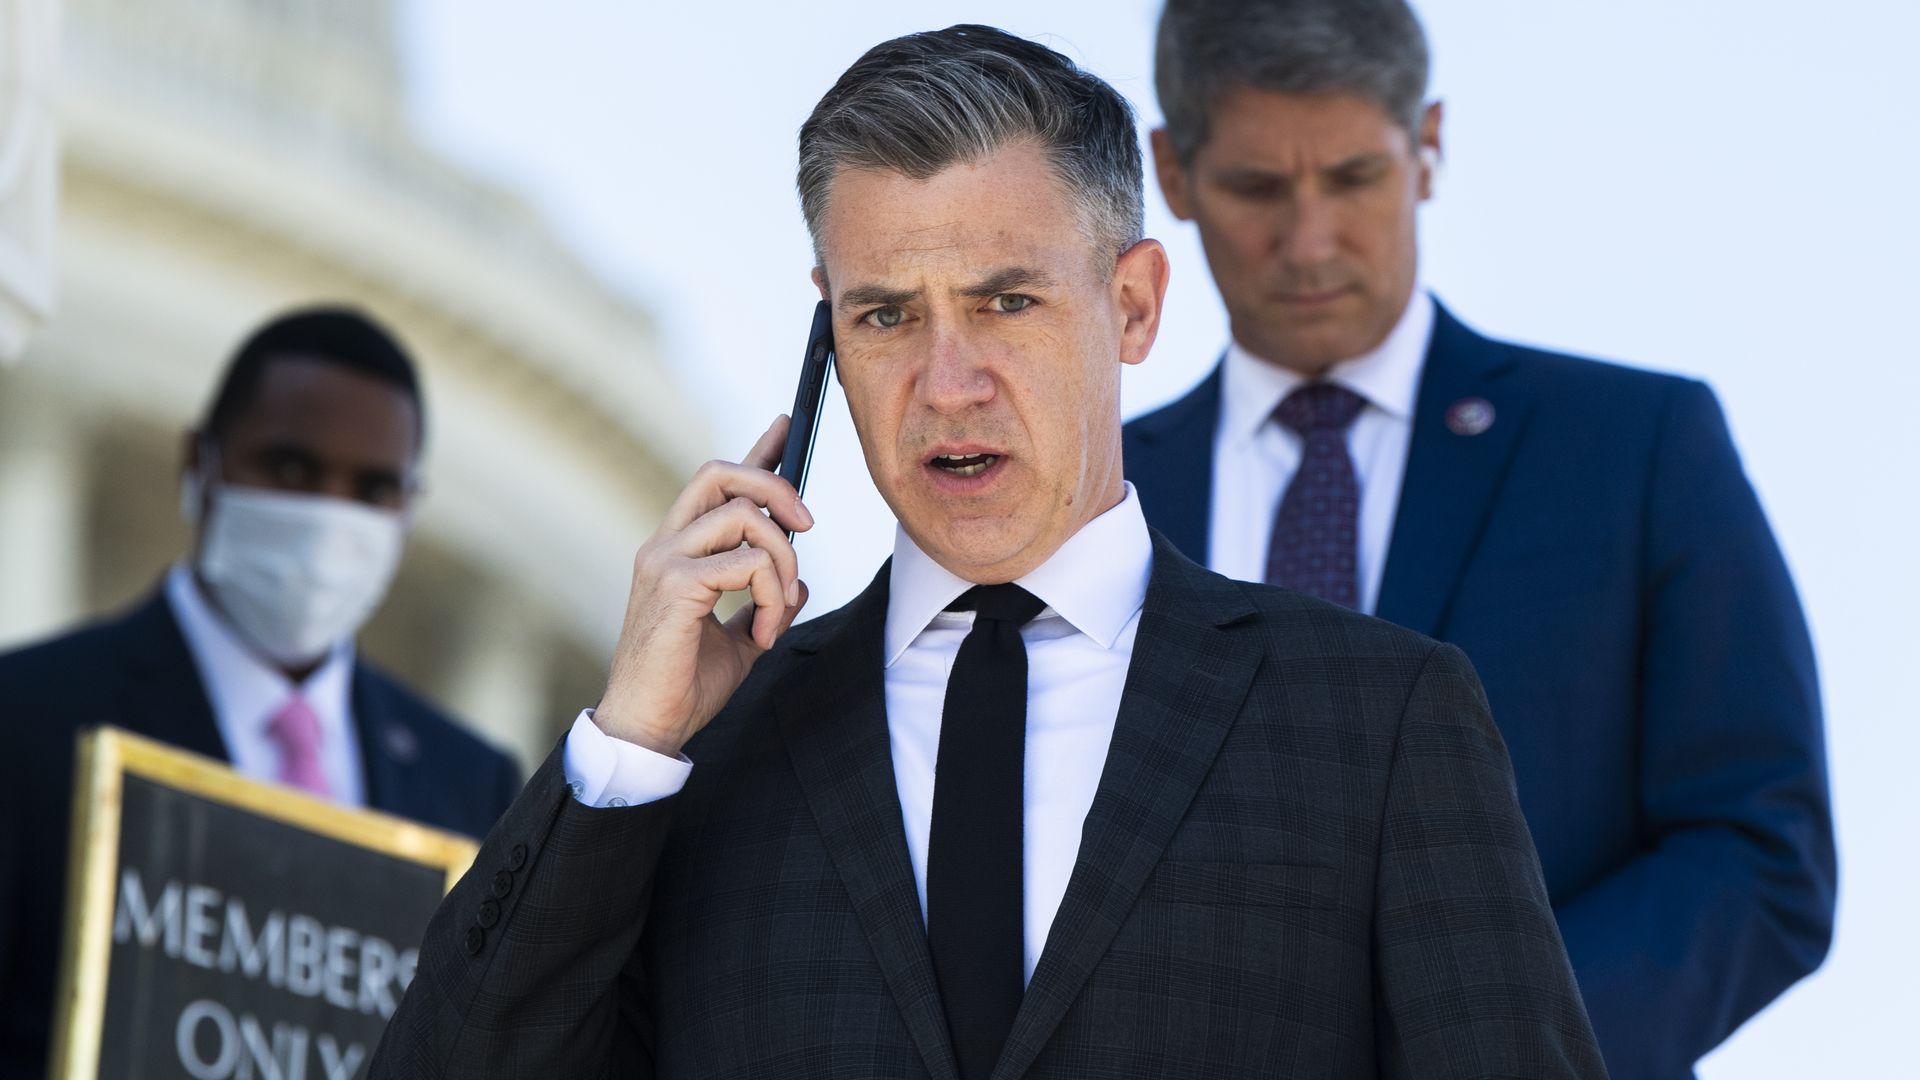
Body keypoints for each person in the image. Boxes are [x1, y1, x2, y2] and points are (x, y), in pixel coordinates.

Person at [371, 25, 1605, 1080]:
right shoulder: (704, 761)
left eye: (1008, 302)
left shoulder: (1380, 725)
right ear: (827, 340)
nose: (946, 386)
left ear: (1132, 305)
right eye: (886, 316)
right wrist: (627, 750)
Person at [1123, 2, 1836, 1076]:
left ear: (1430, 147)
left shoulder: (1636, 449)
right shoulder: (1096, 496)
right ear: (1173, 175)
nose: (1309, 241)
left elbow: (1761, 853)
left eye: (1356, 177)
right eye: (1259, 188)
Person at [0, 307, 521, 1077]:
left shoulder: (471, 787)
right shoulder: (26, 712)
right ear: (199, 465)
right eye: (288, 469)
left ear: (408, 508)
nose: (327, 519)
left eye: (372, 489)